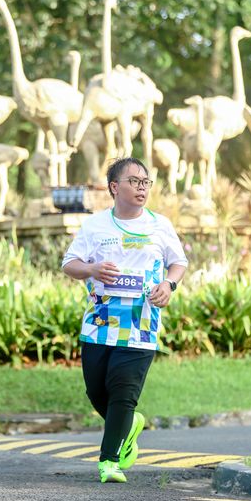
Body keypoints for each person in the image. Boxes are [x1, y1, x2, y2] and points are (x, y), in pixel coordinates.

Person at [62, 157, 188, 483]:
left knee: (122, 391)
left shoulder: (160, 225)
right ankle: (129, 424)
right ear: (114, 187)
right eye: (134, 181)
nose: (141, 187)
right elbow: (69, 263)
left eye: (145, 182)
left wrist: (169, 284)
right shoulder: (95, 226)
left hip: (140, 324)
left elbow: (178, 263)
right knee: (96, 391)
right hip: (99, 323)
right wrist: (91, 269)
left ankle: (109, 461)